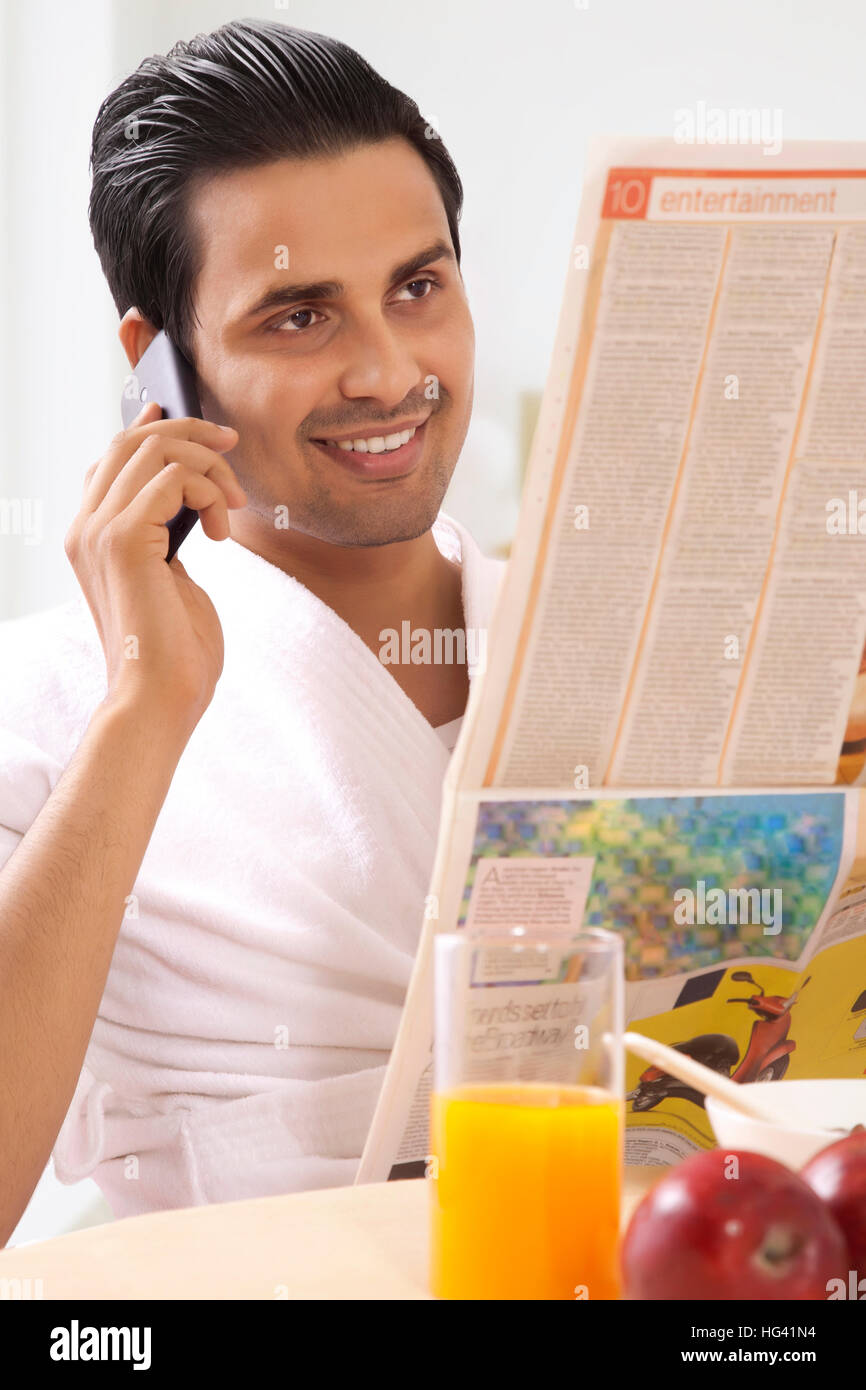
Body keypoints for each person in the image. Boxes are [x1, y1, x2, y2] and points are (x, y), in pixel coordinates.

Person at [0, 18, 506, 1240]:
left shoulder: (580, 642)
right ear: (158, 364)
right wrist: (143, 710)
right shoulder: (53, 701)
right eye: (298, 316)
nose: (389, 372)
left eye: (415, 286)